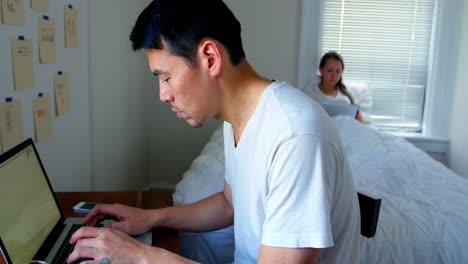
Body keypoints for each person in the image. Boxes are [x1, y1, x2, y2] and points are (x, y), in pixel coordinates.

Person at [67, 0, 361, 263]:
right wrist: (151, 218)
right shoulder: (239, 116)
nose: (163, 94)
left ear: (210, 57)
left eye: (166, 77)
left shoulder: (296, 137)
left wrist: (141, 255)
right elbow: (230, 203)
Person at [307, 51, 365, 123]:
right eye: (330, 70)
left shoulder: (345, 96)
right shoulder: (311, 94)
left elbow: (361, 124)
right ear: (321, 70)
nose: (334, 75)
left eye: (338, 71)